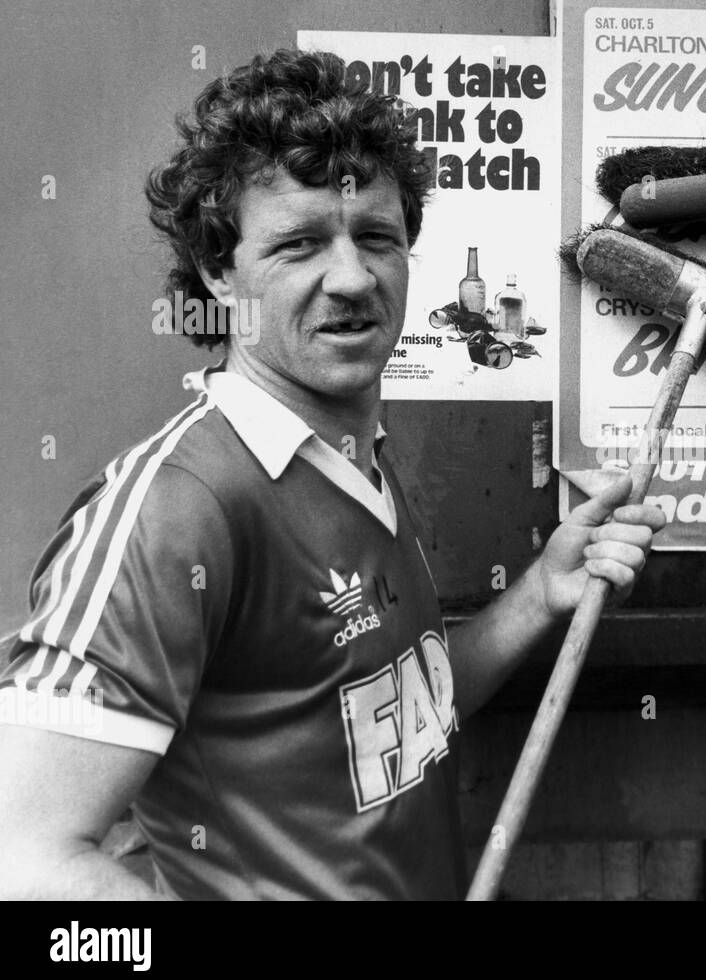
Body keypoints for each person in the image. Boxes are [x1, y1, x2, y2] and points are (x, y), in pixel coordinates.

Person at [0, 49, 665, 900]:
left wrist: (540, 592)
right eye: (299, 243)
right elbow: (25, 861)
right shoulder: (174, 509)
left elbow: (393, 713)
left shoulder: (357, 457)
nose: (352, 276)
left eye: (377, 237)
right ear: (218, 272)